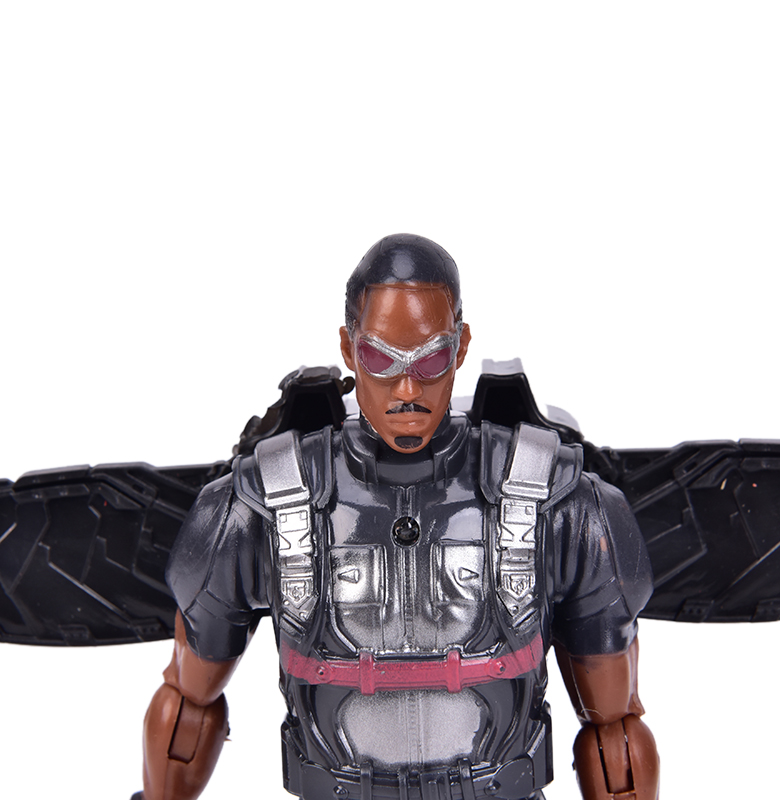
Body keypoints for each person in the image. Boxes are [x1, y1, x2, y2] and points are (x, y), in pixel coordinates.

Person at [137, 234, 659, 800]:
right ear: (348, 348)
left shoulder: (561, 506)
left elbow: (614, 732)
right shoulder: (257, 508)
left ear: (460, 347)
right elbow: (188, 704)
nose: (407, 389)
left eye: (431, 360)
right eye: (381, 360)